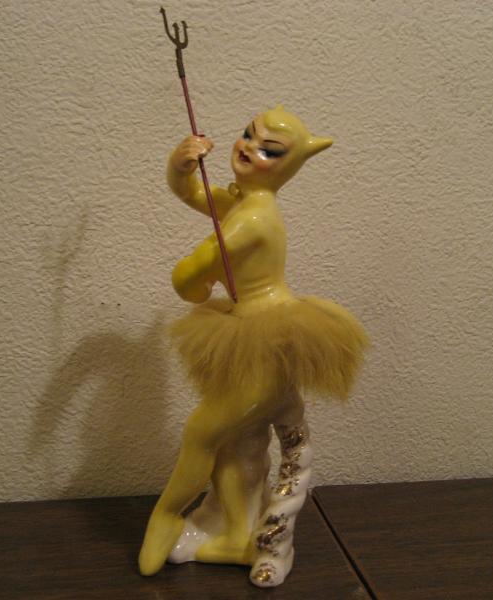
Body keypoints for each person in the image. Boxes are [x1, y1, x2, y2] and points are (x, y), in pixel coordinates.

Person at [139, 106, 367, 586]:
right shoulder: (244, 202)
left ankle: (166, 514)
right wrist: (180, 167)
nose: (249, 147)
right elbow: (194, 194)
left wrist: (196, 289)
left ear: (289, 165)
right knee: (232, 444)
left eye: (269, 149)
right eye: (248, 133)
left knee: (202, 431)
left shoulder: (254, 218)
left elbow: (188, 275)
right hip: (246, 325)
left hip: (265, 339)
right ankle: (237, 534)